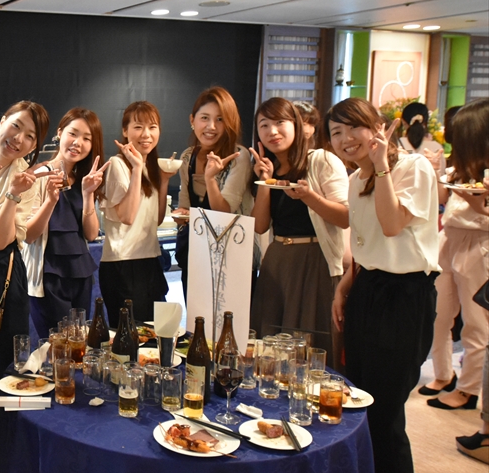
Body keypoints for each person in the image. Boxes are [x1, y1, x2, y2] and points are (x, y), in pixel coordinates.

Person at [329, 97, 439, 473]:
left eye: (352, 128)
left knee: (386, 406)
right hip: (368, 289)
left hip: (405, 295)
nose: (345, 140)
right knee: (360, 398)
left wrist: (382, 167)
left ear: (377, 126)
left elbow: (393, 226)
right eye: (336, 133)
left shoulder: (413, 168)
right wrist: (345, 286)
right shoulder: (356, 179)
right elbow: (365, 243)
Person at [248, 98, 349, 366]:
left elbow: (345, 216)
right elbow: (259, 226)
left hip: (314, 260)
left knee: (308, 344)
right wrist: (264, 181)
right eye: (264, 125)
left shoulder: (321, 160)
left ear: (296, 124)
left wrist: (308, 197)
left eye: (280, 122)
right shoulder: (269, 168)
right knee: (269, 343)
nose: (272, 131)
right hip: (277, 259)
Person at [0, 101, 50, 393]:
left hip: (1, 280)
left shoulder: (25, 178)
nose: (19, 139)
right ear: (2, 121)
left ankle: (7, 426)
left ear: (34, 146)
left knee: (8, 377)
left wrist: (14, 194)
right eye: (16, 126)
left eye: (30, 136)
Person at [419, 99, 489, 410]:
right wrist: (437, 171)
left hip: (480, 243)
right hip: (448, 238)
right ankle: (443, 373)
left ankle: (469, 389)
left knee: (475, 322)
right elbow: (442, 198)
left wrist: (477, 204)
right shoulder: (459, 168)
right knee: (439, 314)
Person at [24, 108, 109, 337]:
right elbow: (28, 235)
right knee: (56, 345)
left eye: (87, 138)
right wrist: (50, 201)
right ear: (60, 133)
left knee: (79, 342)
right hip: (48, 275)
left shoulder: (84, 179)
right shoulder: (39, 175)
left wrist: (88, 194)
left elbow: (91, 234)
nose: (78, 143)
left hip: (80, 274)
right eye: (73, 133)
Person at [98, 101, 175, 326]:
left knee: (154, 334)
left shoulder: (152, 166)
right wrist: (137, 169)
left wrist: (164, 181)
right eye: (138, 127)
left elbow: (156, 220)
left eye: (152, 127)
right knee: (129, 336)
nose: (146, 134)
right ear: (125, 131)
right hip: (123, 263)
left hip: (150, 260)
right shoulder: (118, 164)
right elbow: (127, 217)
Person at [173, 88, 253, 302]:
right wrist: (180, 215)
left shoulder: (238, 156)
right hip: (194, 251)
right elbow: (185, 205)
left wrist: (210, 179)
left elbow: (224, 212)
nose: (211, 127)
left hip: (231, 254)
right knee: (196, 315)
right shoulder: (188, 156)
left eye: (220, 119)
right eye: (204, 118)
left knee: (228, 317)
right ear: (192, 120)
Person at [398, 101, 446, 176]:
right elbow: (441, 175)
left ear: (403, 122)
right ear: (426, 122)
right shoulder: (437, 148)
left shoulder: (397, 145)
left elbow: (384, 173)